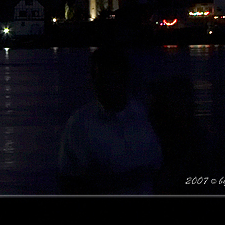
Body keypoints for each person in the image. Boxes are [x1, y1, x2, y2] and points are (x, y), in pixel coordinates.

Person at [58, 47, 162, 194]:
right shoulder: (80, 124)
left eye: (112, 79)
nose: (107, 86)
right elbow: (70, 181)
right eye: (102, 80)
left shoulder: (146, 115)